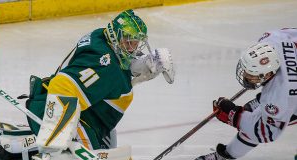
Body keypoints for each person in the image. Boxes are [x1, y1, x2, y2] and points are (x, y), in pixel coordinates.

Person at [28, 9, 174, 159]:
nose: (132, 49)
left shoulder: (101, 36)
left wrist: (137, 66)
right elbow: (62, 85)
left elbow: (114, 70)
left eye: (135, 43)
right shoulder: (104, 64)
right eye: (128, 42)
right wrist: (53, 144)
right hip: (63, 117)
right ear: (115, 35)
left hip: (90, 119)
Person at [195, 28, 297, 160]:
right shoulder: (271, 38)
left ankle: (223, 157)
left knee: (258, 122)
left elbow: (266, 132)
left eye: (252, 75)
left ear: (268, 74)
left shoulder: (282, 96)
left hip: (290, 97)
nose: (245, 76)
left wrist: (234, 115)